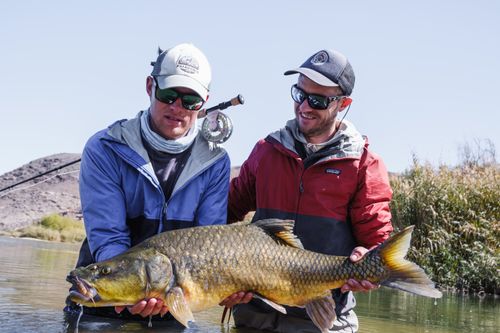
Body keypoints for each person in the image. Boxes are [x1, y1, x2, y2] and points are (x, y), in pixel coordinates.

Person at [225, 49, 394, 332]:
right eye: (299, 94)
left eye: (317, 100)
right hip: (254, 318)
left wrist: (368, 264)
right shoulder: (265, 152)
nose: (304, 106)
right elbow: (224, 214)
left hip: (325, 321)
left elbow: (377, 244)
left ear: (343, 104)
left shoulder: (364, 164)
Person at [65, 43, 231, 320]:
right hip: (107, 298)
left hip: (173, 302)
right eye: (169, 95)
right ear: (150, 86)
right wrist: (137, 288)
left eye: (191, 101)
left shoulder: (216, 162)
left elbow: (209, 247)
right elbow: (108, 237)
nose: (178, 107)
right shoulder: (105, 148)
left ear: (204, 102)